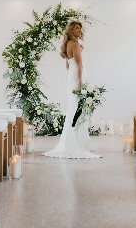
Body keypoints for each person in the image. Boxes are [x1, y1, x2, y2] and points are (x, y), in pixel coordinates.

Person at [43, 21, 100, 159]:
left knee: (73, 107)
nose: (79, 30)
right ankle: (77, 143)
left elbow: (68, 66)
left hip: (70, 77)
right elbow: (79, 65)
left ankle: (77, 140)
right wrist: (80, 83)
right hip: (77, 77)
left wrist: (70, 79)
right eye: (76, 28)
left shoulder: (69, 44)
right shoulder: (74, 44)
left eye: (80, 28)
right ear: (70, 31)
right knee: (78, 108)